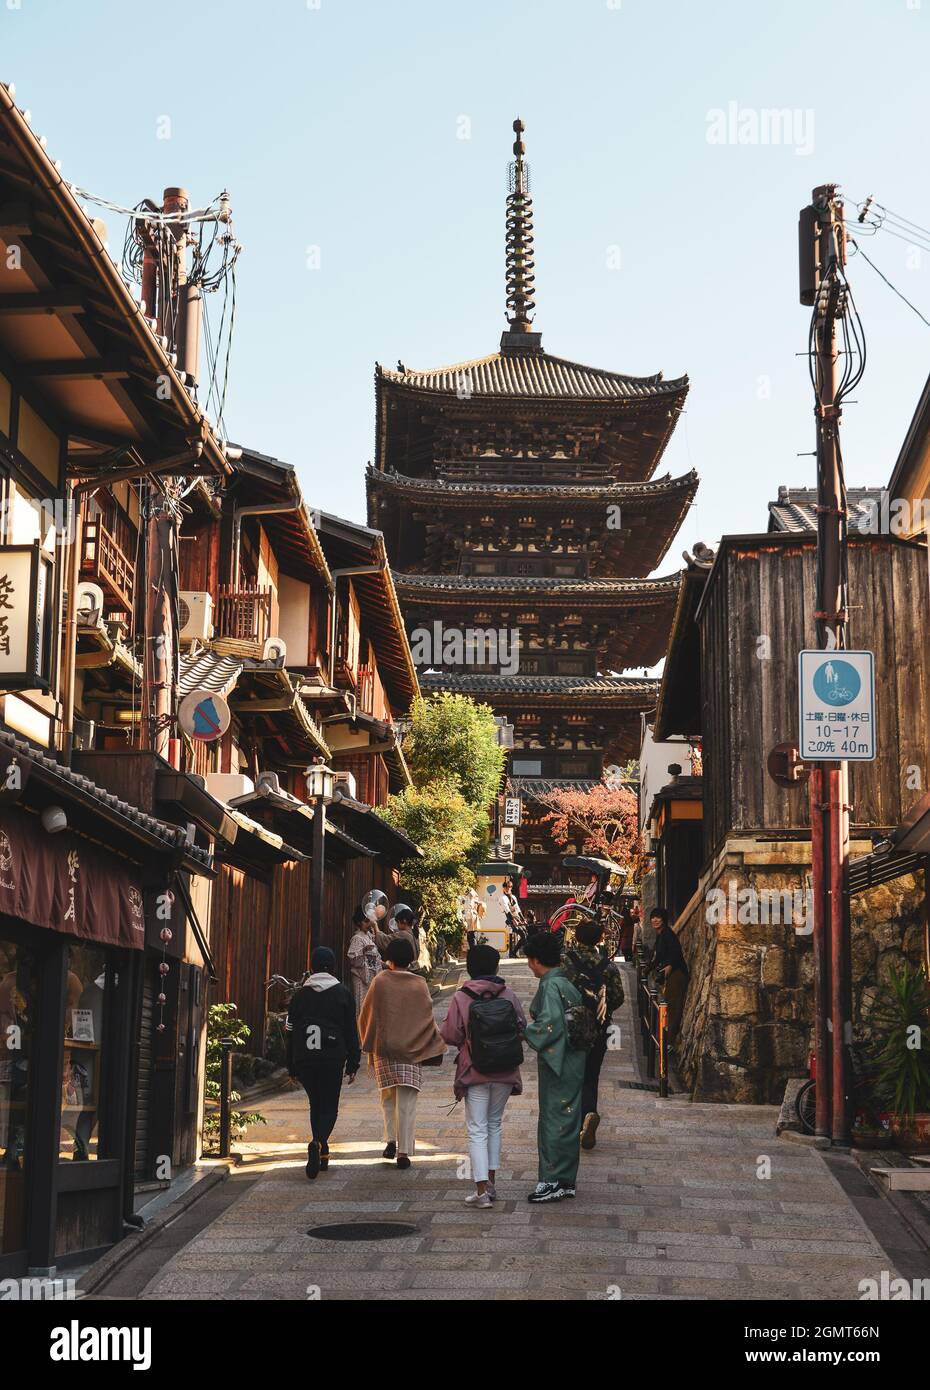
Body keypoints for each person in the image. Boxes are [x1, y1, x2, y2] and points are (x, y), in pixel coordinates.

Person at [439, 943, 526, 1208]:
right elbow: (521, 1026)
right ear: (496, 967)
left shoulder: (461, 996)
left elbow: (450, 1035)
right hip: (505, 1067)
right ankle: (492, 1183)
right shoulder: (508, 994)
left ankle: (481, 1192)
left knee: (477, 1128)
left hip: (475, 1068)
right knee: (494, 1124)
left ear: (470, 968)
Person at [358, 936, 445, 1168]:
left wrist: (369, 1040)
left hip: (385, 1050)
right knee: (407, 1101)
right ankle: (404, 1151)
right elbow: (426, 1016)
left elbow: (367, 1014)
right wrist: (430, 1043)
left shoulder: (381, 980)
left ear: (389, 959)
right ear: (411, 959)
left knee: (388, 1097)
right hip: (412, 1048)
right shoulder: (419, 984)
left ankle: (390, 1139)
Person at [286, 946, 360, 1180]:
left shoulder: (299, 996)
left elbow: (290, 1032)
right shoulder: (342, 993)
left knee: (315, 1104)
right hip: (332, 1057)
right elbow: (351, 1030)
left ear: (312, 966)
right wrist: (353, 1061)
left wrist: (291, 1065)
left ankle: (323, 1151)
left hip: (305, 1058)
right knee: (329, 1106)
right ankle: (318, 1142)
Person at [523, 930, 587, 1203]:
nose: (528, 965)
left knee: (553, 1119)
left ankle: (550, 1181)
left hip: (558, 1061)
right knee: (570, 1118)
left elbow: (549, 1025)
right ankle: (567, 1179)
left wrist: (525, 1032)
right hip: (574, 1057)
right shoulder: (566, 982)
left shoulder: (550, 986)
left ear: (536, 960)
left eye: (529, 959)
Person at [562, 920, 625, 1151]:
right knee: (591, 1075)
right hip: (599, 1027)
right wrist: (600, 1007)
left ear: (576, 937)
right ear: (600, 939)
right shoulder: (608, 966)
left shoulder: (565, 962)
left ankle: (570, 1124)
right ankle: (588, 1114)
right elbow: (618, 997)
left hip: (569, 1026)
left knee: (570, 1076)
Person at [650, 907, 689, 1042]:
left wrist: (670, 965)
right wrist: (648, 968)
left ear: (664, 920)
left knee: (673, 1007)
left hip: (676, 974)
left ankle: (669, 1041)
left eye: (658, 917)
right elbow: (658, 957)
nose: (654, 920)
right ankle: (666, 1038)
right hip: (671, 974)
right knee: (668, 1006)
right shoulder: (661, 935)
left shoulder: (667, 934)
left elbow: (676, 951)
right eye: (653, 917)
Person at [346, 906, 382, 1012]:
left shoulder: (369, 936)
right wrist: (365, 951)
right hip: (361, 978)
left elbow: (376, 957)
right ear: (358, 922)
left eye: (369, 921)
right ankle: (360, 1028)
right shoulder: (357, 938)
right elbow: (353, 959)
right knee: (362, 1007)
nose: (368, 924)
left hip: (371, 976)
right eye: (366, 921)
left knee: (371, 1008)